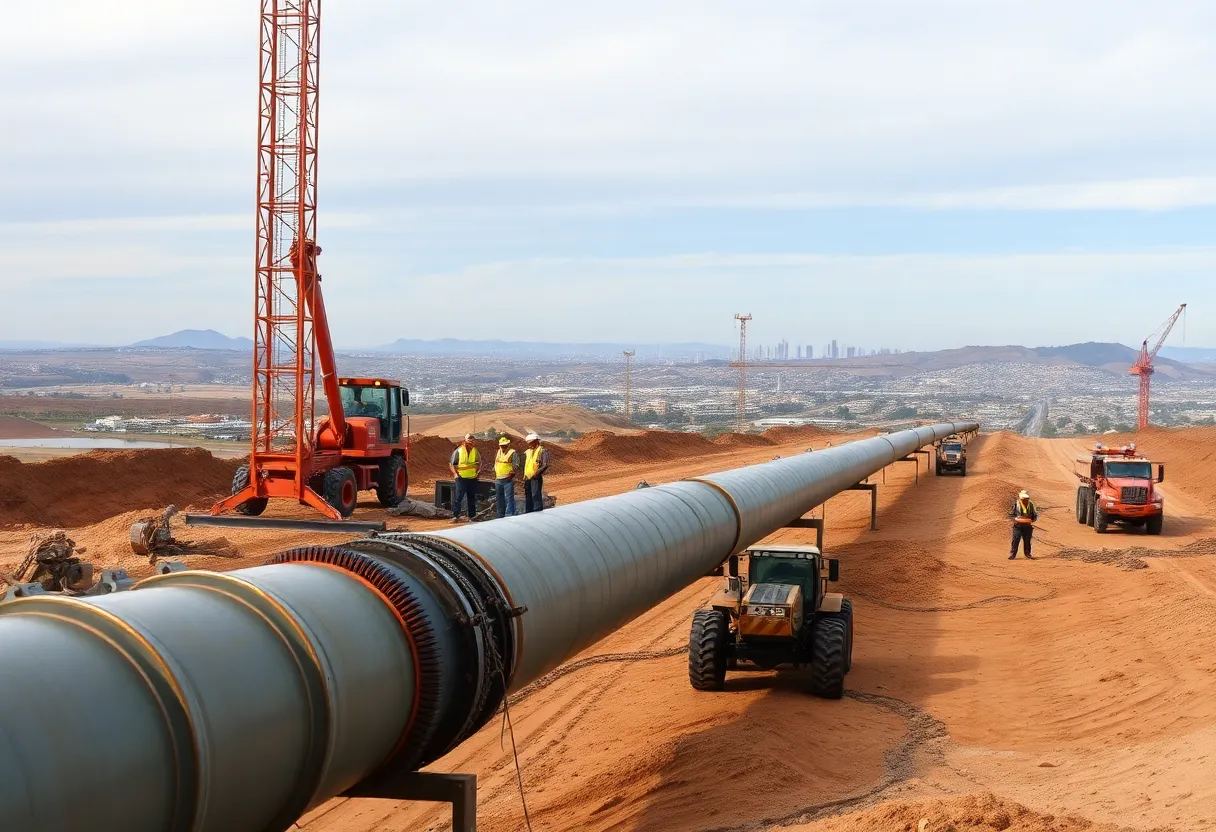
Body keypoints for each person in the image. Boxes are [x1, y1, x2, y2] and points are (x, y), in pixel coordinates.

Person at [449, 434, 481, 522]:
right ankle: (456, 516)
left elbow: (479, 463)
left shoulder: (475, 451)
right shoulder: (459, 450)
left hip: (472, 478)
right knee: (458, 497)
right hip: (461, 478)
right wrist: (455, 474)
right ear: (465, 441)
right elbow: (452, 463)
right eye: (469, 441)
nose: (471, 442)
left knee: (471, 498)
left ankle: (472, 516)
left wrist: (477, 473)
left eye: (472, 441)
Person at [523, 432, 550, 513]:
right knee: (528, 497)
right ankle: (529, 512)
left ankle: (537, 513)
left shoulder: (542, 451)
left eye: (531, 443)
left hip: (535, 478)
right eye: (528, 443)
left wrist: (536, 474)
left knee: (535, 496)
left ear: (536, 441)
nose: (529, 445)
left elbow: (545, 465)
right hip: (527, 477)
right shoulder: (528, 452)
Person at [493, 435, 520, 519]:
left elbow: (516, 465)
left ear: (508, 445)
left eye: (504, 445)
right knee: (499, 498)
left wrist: (511, 475)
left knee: (509, 498)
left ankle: (509, 515)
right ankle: (500, 515)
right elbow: (496, 464)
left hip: (507, 479)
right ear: (499, 445)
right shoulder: (498, 452)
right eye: (502, 445)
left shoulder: (512, 452)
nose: (503, 447)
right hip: (498, 479)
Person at [1008, 489, 1038, 559]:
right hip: (1017, 526)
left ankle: (1028, 554)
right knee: (1016, 539)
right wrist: (1015, 519)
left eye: (1026, 499)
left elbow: (1035, 515)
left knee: (1027, 540)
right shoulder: (1016, 504)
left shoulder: (1031, 505)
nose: (1025, 500)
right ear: (1021, 499)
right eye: (1024, 499)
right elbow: (1011, 515)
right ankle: (1013, 554)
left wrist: (1032, 520)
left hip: (1027, 526)